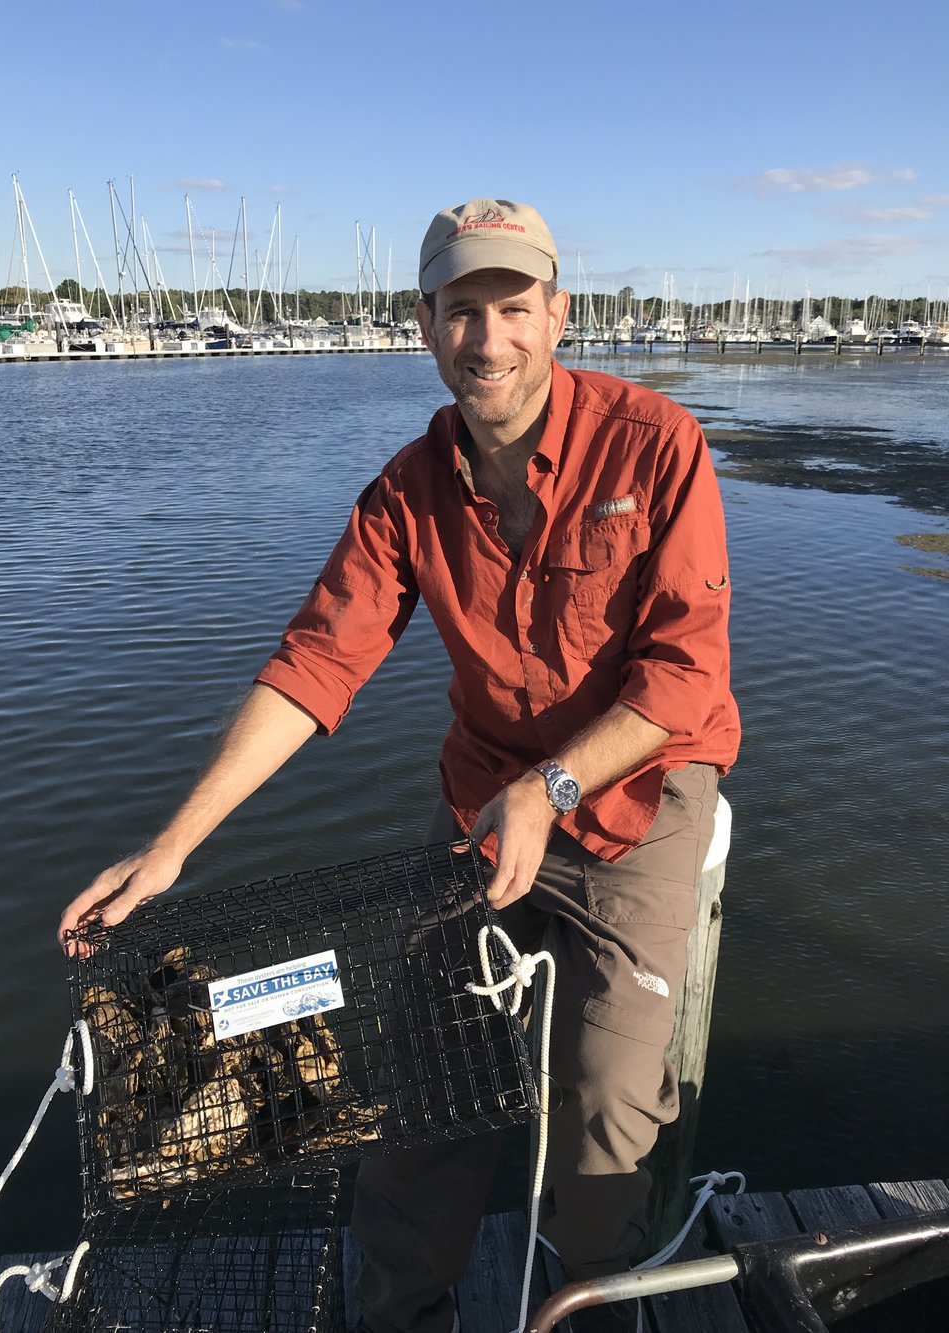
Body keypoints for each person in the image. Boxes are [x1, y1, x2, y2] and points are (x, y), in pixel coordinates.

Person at [59, 198, 740, 1333]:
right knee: (426, 1091)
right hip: (484, 806)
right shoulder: (404, 491)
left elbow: (683, 677)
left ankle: (592, 1308)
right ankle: (400, 1316)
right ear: (423, 323)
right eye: (461, 310)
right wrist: (171, 845)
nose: (489, 338)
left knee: (605, 1108)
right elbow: (314, 665)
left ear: (557, 315)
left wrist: (550, 785)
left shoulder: (656, 443)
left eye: (513, 306)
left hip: (638, 801)